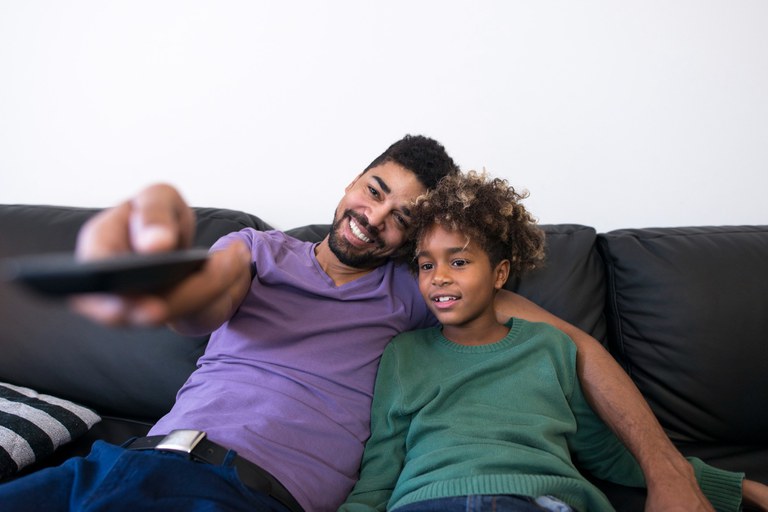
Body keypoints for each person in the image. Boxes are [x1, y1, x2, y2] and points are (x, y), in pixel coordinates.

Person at [0, 135, 727, 511]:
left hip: (231, 492)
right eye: (374, 190)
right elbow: (209, 294)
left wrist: (671, 479)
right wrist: (163, 283)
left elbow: (573, 345)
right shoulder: (253, 252)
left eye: (401, 218)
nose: (374, 216)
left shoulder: (420, 292)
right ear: (353, 181)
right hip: (117, 464)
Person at [339, 170, 768, 512]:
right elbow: (378, 473)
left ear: (501, 274)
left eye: (460, 260)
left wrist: (740, 487)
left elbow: (609, 455)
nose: (440, 277)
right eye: (426, 265)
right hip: (428, 502)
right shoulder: (404, 354)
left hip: (540, 500)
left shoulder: (550, 348)